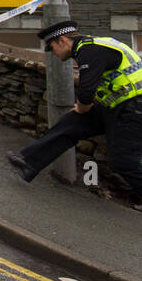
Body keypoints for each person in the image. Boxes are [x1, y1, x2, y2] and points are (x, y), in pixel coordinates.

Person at [7, 20, 142, 201]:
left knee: (123, 161)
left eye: (52, 47)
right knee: (74, 122)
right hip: (118, 106)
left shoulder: (90, 51)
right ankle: (29, 163)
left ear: (62, 40)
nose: (53, 54)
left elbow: (86, 93)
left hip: (133, 108)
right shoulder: (93, 47)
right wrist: (81, 110)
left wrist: (81, 107)